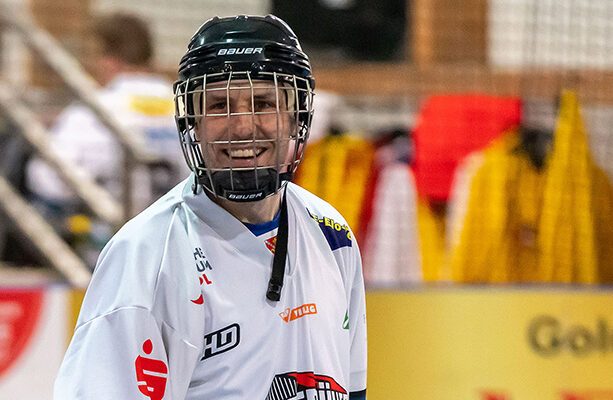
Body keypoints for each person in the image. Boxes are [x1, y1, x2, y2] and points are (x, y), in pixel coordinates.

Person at [54, 14, 367, 399]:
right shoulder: (145, 257)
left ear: (295, 116)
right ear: (194, 123)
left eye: (263, 102)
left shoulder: (331, 232)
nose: (241, 126)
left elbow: (352, 387)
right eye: (219, 105)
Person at [26, 12, 186, 221]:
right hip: (176, 230)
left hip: (113, 236)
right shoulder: (181, 103)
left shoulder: (96, 109)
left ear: (106, 60)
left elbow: (47, 182)